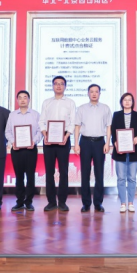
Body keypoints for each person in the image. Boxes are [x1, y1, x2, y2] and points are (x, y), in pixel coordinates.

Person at [39, 76, 77, 212]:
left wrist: (67, 136)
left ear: (65, 86)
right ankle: (51, 202)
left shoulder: (70, 103)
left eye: (61, 84)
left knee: (63, 172)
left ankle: (62, 202)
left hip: (64, 139)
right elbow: (42, 121)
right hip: (48, 139)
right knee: (49, 172)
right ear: (52, 86)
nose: (59, 86)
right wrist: (45, 135)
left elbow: (73, 122)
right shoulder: (46, 102)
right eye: (56, 84)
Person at [74, 84, 112, 213]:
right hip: (85, 142)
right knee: (85, 173)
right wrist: (76, 143)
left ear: (100, 93)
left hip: (99, 142)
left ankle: (98, 203)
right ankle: (86, 203)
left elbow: (108, 127)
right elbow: (77, 126)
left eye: (96, 92)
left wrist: (107, 143)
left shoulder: (105, 108)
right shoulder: (82, 108)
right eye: (92, 91)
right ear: (88, 93)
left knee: (99, 173)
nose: (94, 94)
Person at [5, 90, 42, 211]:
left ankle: (29, 202)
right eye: (20, 98)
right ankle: (19, 201)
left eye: (25, 97)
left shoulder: (35, 114)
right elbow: (7, 132)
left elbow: (40, 131)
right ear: (17, 100)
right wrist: (13, 142)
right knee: (19, 176)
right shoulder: (12, 115)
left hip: (31, 149)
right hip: (17, 149)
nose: (22, 100)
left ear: (29, 100)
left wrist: (34, 142)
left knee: (30, 176)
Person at [110, 92, 137, 213]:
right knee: (121, 178)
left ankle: (131, 203)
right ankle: (123, 203)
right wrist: (115, 143)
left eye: (130, 100)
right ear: (121, 102)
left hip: (134, 151)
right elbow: (113, 132)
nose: (127, 102)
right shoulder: (116, 115)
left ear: (133, 102)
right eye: (125, 100)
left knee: (132, 178)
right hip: (120, 151)